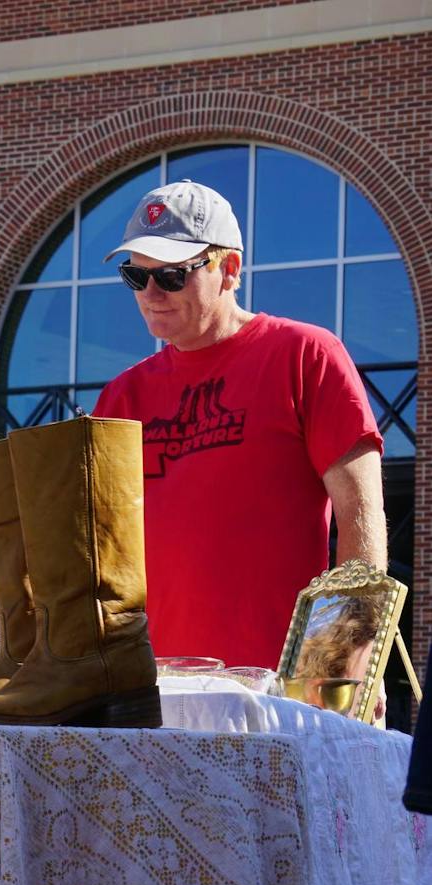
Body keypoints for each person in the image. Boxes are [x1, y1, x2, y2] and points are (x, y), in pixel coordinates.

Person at [94, 179, 386, 669]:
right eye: (134, 276)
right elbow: (100, 556)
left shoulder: (305, 355)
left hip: (278, 688)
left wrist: (347, 661)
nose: (149, 294)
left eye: (170, 276)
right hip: (152, 692)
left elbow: (360, 517)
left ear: (229, 269)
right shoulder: (122, 395)